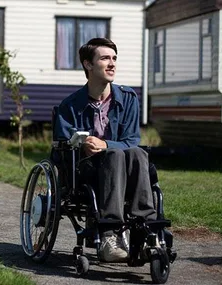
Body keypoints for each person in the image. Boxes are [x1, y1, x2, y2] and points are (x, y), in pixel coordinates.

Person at [54, 38, 156, 262]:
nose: (112, 64)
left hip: (123, 166)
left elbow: (131, 139)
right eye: (105, 58)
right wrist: (82, 144)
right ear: (88, 65)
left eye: (114, 59)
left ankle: (147, 227)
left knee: (138, 152)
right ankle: (110, 232)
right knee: (116, 154)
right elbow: (60, 145)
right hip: (87, 171)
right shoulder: (69, 105)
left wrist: (106, 144)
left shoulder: (128, 99)